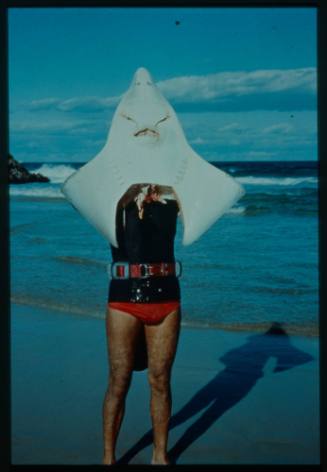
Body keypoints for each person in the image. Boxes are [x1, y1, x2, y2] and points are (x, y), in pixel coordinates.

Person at [103, 183, 181, 465]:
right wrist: (127, 194)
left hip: (167, 296)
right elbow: (84, 203)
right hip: (123, 297)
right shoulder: (113, 194)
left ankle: (160, 455)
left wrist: (171, 190)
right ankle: (108, 458)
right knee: (119, 380)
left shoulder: (173, 193)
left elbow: (203, 206)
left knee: (160, 380)